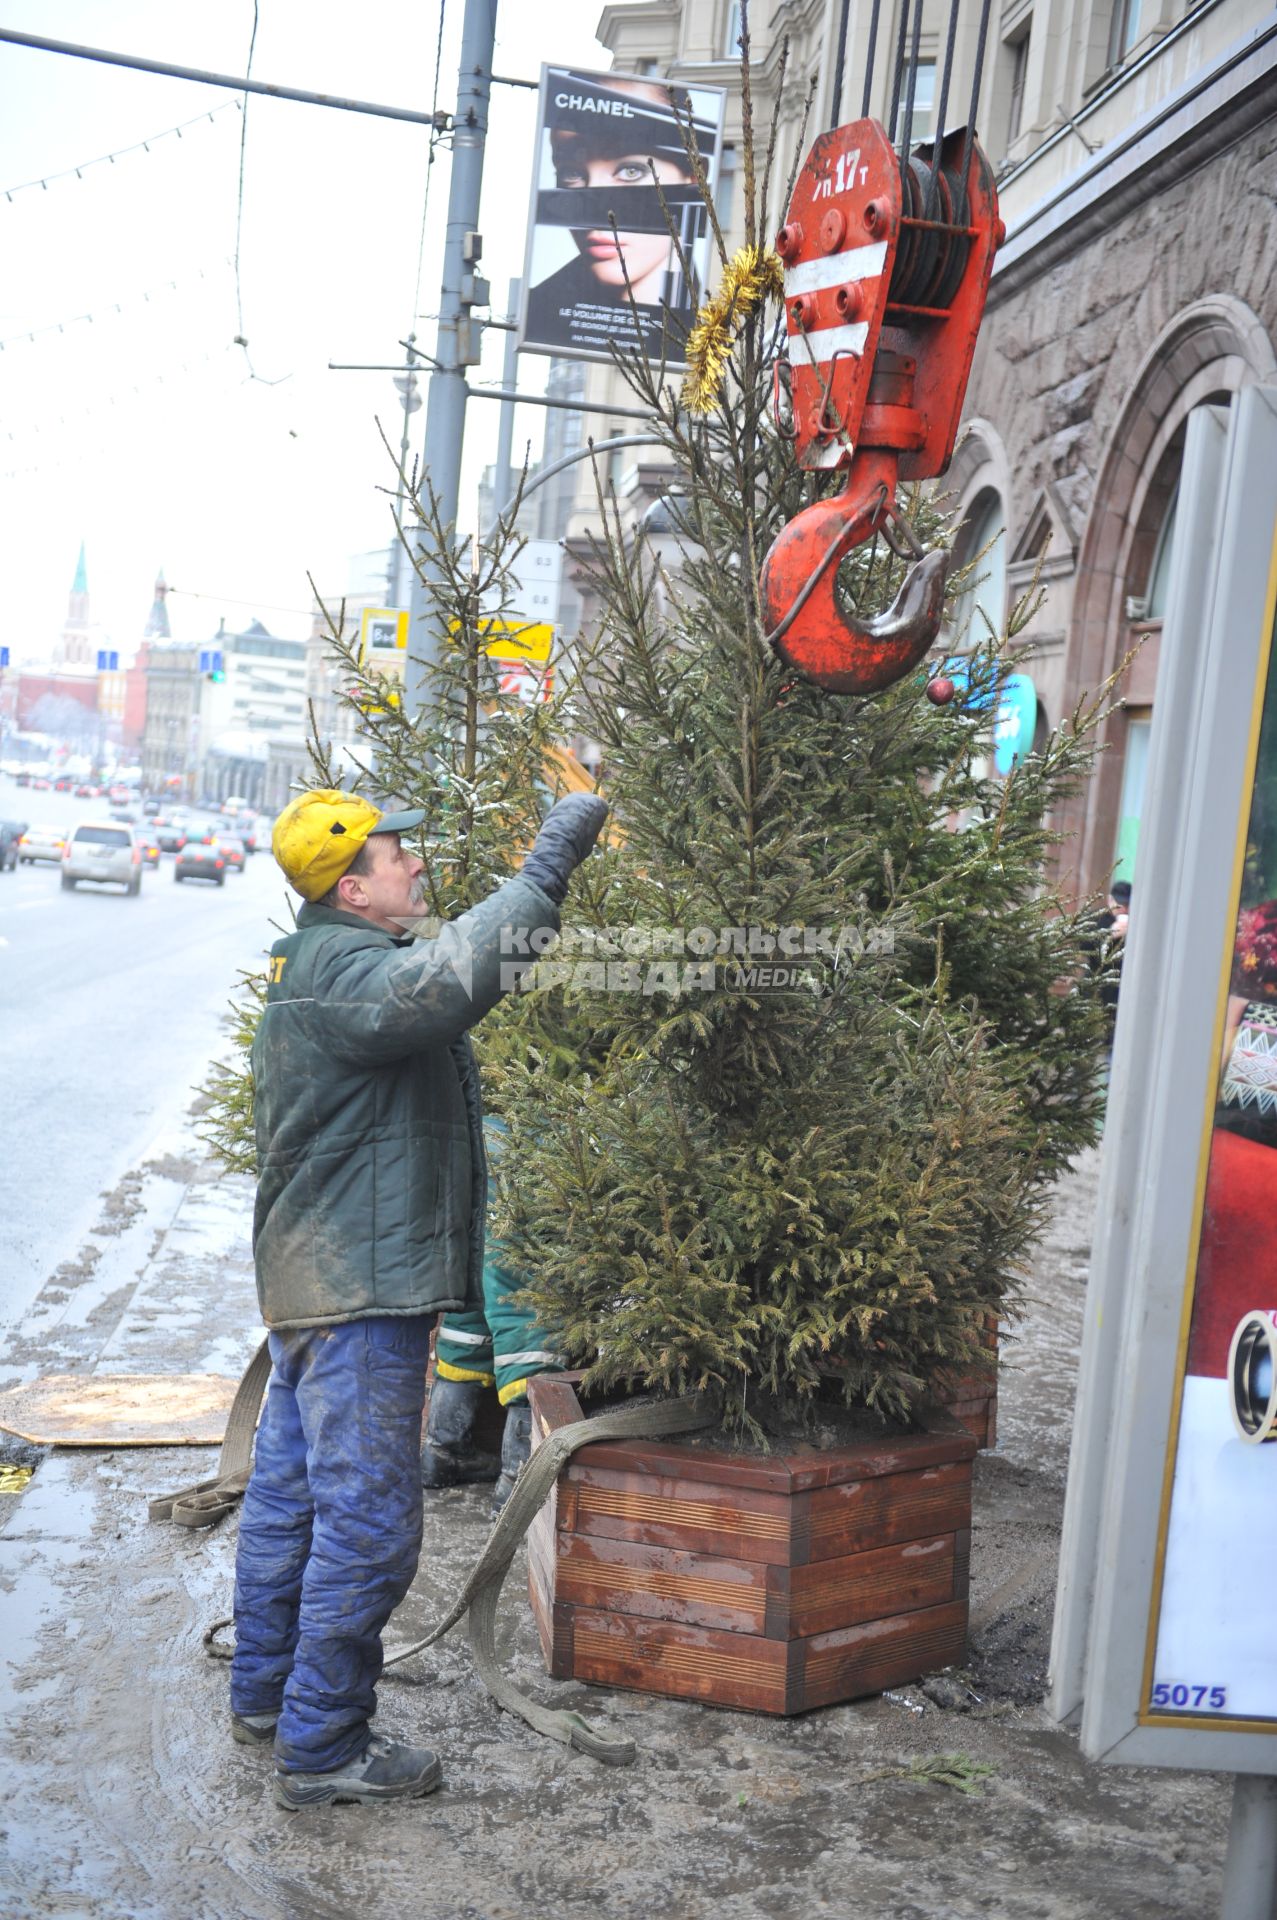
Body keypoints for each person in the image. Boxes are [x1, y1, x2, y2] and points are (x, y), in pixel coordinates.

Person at [229, 784, 607, 1810]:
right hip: (356, 1291)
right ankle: (323, 1747)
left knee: (292, 1497)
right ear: (352, 886)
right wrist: (542, 874)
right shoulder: (350, 974)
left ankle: (267, 1695)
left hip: (328, 1283)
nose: (417, 867)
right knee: (367, 1521)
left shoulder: (332, 963)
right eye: (399, 857)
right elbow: (449, 981)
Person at [422, 1119, 562, 1512]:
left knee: (470, 1318)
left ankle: (442, 1450)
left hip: (481, 1167)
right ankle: (517, 1483)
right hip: (524, 1178)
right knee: (527, 1331)